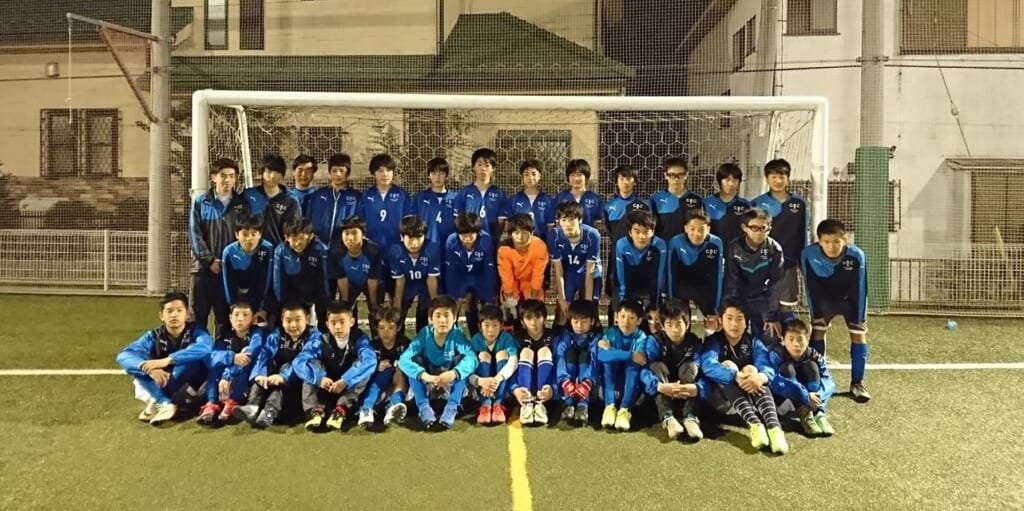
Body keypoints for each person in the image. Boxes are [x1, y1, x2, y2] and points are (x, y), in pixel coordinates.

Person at [700, 301, 788, 454]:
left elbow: (766, 364)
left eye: (739, 319)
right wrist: (735, 375)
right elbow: (708, 365)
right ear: (720, 320)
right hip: (723, 402)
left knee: (752, 370)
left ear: (746, 323)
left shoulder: (753, 341)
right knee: (729, 365)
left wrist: (761, 377)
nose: (734, 324)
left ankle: (774, 428)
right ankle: (754, 424)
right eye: (729, 318)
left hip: (752, 398)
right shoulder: (713, 342)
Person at [116, 292, 214, 425]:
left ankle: (159, 401)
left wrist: (167, 360)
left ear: (187, 314)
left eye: (179, 310)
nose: (174, 315)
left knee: (190, 360)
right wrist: (148, 369)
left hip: (193, 388)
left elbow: (205, 347)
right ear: (161, 315)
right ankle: (165, 403)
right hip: (164, 383)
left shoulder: (197, 331)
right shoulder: (154, 336)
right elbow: (124, 356)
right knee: (136, 368)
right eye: (169, 311)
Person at [802, 218, 871, 402]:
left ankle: (857, 383)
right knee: (818, 331)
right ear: (819, 240)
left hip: (850, 301)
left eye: (836, 242)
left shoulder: (856, 255)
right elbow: (810, 285)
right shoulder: (808, 254)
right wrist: (816, 313)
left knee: (858, 335)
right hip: (824, 300)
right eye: (826, 242)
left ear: (845, 239)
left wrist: (858, 317)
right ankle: (816, 380)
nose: (831, 246)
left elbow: (860, 287)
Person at [233, 302, 321, 428]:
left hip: (297, 386)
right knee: (265, 370)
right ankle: (252, 405)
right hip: (276, 379)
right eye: (288, 320)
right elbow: (264, 355)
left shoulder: (314, 336)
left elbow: (302, 360)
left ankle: (270, 411)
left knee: (285, 371)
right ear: (282, 321)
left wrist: (283, 376)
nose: (293, 325)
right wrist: (259, 375)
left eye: (298, 320)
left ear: (307, 319)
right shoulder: (277, 334)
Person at [398, 296, 479, 430]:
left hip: (450, 385)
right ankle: (424, 407)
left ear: (454, 318)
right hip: (429, 384)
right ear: (430, 319)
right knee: (414, 360)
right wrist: (426, 376)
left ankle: (452, 407)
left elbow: (473, 358)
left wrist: (453, 373)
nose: (442, 320)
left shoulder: (457, 335)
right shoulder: (425, 334)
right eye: (438, 316)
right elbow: (403, 359)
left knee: (462, 360)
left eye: (447, 316)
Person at [189, 157, 249, 336]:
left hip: (229, 271)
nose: (227, 180)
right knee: (197, 318)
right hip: (202, 270)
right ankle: (197, 351)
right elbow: (195, 235)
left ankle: (222, 351)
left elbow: (246, 236)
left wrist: (232, 261)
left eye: (232, 176)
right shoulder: (201, 203)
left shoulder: (242, 205)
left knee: (224, 319)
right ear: (213, 177)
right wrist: (209, 261)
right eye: (223, 175)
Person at [297, 301, 377, 432]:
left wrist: (346, 380)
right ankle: (316, 411)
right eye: (333, 323)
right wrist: (319, 379)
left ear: (351, 322)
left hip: (347, 388)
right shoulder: (320, 340)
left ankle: (340, 411)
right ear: (327, 324)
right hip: (327, 386)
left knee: (363, 368)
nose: (338, 327)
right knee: (311, 364)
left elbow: (370, 361)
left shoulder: (360, 338)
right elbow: (299, 362)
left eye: (342, 322)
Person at [753, 159, 808, 324]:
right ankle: (762, 339)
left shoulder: (799, 204)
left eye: (782, 177)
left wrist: (802, 263)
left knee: (786, 305)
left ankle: (788, 339)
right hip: (762, 262)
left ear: (788, 178)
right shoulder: (757, 203)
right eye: (774, 176)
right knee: (762, 303)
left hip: (788, 263)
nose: (778, 181)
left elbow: (803, 235)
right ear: (767, 178)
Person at [640, 299, 704, 441]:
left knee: (691, 365)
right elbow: (644, 369)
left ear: (687, 324)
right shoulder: (655, 341)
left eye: (679, 324)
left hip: (686, 389)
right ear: (662, 326)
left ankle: (691, 418)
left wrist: (697, 388)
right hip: (664, 389)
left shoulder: (694, 342)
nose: (675, 329)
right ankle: (668, 418)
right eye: (669, 324)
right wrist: (659, 386)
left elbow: (703, 371)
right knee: (656, 366)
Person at [197, 300, 266, 425]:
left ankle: (233, 402)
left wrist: (227, 375)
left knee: (245, 362)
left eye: (245, 315)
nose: (240, 319)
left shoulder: (257, 334)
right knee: (214, 367)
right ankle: (212, 403)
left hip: (247, 378)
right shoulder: (226, 337)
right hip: (227, 378)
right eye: (236, 315)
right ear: (230, 318)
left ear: (254, 317)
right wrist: (231, 358)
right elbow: (212, 357)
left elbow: (249, 355)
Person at [724, 208, 785, 342]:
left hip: (762, 297)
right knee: (734, 331)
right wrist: (733, 307)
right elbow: (732, 279)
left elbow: (776, 283)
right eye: (754, 228)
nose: (758, 232)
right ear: (744, 228)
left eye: (763, 228)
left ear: (769, 229)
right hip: (740, 296)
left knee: (771, 332)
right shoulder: (734, 247)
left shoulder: (774, 249)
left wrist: (771, 315)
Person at [768, 319, 836, 437]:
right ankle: (804, 415)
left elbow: (829, 382)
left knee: (812, 367)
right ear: (783, 340)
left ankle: (818, 413)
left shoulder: (813, 355)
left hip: (810, 398)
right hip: (786, 399)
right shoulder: (777, 355)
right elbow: (776, 383)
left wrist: (816, 401)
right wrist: (805, 397)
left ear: (807, 340)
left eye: (800, 339)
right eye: (791, 339)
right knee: (786, 368)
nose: (796, 344)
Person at [359, 153, 412, 300]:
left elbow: (408, 223)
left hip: (396, 250)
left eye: (388, 170)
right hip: (372, 251)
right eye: (380, 170)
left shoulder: (402, 195)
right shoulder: (366, 195)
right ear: (373, 173)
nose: (385, 174)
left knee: (397, 295)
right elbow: (360, 222)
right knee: (375, 297)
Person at [667, 210, 725, 332]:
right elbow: (671, 275)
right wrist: (672, 303)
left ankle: (710, 339)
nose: (696, 233)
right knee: (679, 319)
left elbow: (717, 276)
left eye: (701, 229)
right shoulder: (675, 243)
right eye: (692, 229)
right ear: (686, 228)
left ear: (708, 229)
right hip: (681, 285)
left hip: (703, 286)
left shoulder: (715, 243)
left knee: (713, 323)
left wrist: (714, 309)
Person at [595, 299, 649, 432]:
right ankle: (609, 407)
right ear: (616, 317)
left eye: (631, 318)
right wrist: (630, 355)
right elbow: (602, 356)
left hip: (632, 384)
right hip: (612, 381)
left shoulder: (641, 337)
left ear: (639, 321)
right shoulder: (611, 333)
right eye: (623, 316)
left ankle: (625, 410)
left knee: (633, 367)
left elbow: (639, 359)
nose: (626, 321)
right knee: (609, 363)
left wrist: (611, 350)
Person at [548, 200, 603, 327]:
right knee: (563, 311)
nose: (567, 224)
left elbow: (590, 270)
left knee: (590, 312)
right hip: (569, 273)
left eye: (572, 220)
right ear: (559, 221)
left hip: (589, 273)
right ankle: (559, 336)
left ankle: (595, 336)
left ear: (580, 219)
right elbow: (558, 269)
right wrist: (562, 298)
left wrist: (588, 302)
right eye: (564, 220)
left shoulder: (592, 235)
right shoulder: (554, 236)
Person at [603, 165, 652, 304]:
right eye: (621, 178)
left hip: (639, 259)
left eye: (629, 178)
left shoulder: (644, 206)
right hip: (617, 257)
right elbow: (610, 231)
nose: (625, 182)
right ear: (616, 181)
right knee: (617, 296)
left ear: (634, 181)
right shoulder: (609, 206)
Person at [444, 212, 497, 337]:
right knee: (460, 305)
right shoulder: (451, 241)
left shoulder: (486, 240)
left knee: (488, 308)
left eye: (471, 235)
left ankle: (486, 338)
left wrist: (489, 296)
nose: (467, 239)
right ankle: (470, 336)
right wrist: (454, 295)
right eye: (463, 235)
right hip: (461, 277)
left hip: (481, 276)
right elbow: (451, 271)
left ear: (478, 232)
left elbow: (489, 270)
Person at [357, 307, 411, 429]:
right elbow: (364, 366)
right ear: (376, 328)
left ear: (398, 328)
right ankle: (366, 409)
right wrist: (376, 366)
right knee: (384, 370)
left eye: (390, 328)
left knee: (401, 371)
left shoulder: (405, 344)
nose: (386, 332)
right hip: (379, 385)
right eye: (381, 328)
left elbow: (414, 362)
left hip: (399, 384)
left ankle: (394, 404)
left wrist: (403, 363)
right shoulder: (373, 346)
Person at [327, 216, 384, 331]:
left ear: (363, 234)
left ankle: (377, 337)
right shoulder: (335, 251)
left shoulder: (373, 251)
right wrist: (345, 303)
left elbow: (372, 279)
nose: (350, 238)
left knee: (375, 310)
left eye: (354, 233)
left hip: (370, 282)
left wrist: (373, 303)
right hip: (350, 283)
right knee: (346, 309)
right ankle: (351, 335)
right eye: (346, 233)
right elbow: (341, 279)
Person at [272, 217, 329, 331]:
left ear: (310, 236)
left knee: (320, 319)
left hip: (313, 294)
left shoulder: (320, 250)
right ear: (286, 237)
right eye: (294, 239)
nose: (298, 243)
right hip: (291, 294)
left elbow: (324, 283)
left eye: (302, 238)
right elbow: (278, 284)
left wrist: (320, 309)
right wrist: (285, 308)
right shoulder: (281, 251)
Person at [390, 215, 442, 333]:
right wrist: (397, 303)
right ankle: (399, 339)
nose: (414, 243)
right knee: (398, 312)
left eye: (419, 238)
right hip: (407, 284)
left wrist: (434, 303)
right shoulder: (395, 251)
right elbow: (400, 280)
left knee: (426, 310)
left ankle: (423, 337)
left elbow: (431, 279)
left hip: (425, 284)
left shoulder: (432, 249)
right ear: (402, 237)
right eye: (410, 238)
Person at [467, 304, 518, 426]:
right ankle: (485, 404)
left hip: (500, 382)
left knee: (502, 354)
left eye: (495, 325)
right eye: (486, 325)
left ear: (501, 326)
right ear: (480, 326)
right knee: (483, 355)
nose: (490, 330)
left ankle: (498, 404)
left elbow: (514, 361)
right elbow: (466, 367)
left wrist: (498, 378)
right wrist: (481, 381)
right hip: (482, 386)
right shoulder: (476, 340)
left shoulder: (506, 338)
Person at [553, 300, 601, 426]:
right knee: (569, 353)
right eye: (576, 321)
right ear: (570, 321)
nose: (579, 325)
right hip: (569, 381)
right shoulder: (566, 334)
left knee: (585, 355)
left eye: (584, 321)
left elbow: (595, 360)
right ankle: (568, 403)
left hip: (590, 384)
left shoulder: (596, 336)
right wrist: (564, 380)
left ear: (592, 321)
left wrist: (588, 381)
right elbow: (559, 356)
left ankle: (582, 406)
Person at [221, 213, 274, 325]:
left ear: (260, 234)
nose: (249, 238)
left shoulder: (267, 249)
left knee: (260, 326)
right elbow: (228, 283)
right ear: (237, 235)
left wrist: (260, 308)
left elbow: (265, 281)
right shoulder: (228, 252)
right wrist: (234, 307)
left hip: (258, 298)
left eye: (253, 234)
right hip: (237, 298)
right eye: (245, 234)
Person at [511, 299, 557, 426]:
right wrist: (515, 389)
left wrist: (554, 388)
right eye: (529, 318)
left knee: (544, 351)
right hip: (524, 386)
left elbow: (560, 365)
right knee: (526, 352)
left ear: (544, 318)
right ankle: (526, 404)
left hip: (546, 388)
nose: (533, 322)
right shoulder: (517, 339)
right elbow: (510, 367)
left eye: (538, 317)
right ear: (522, 322)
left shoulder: (553, 337)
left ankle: (540, 404)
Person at [613, 210, 667, 315]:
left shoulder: (659, 246)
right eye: (637, 232)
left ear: (653, 232)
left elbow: (657, 277)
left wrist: (655, 307)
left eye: (646, 232)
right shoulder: (622, 245)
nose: (641, 236)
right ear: (630, 232)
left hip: (649, 287)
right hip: (629, 286)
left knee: (654, 318)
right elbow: (621, 279)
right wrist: (623, 304)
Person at [497, 213, 549, 323]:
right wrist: (509, 299)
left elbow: (538, 274)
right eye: (516, 233)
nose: (520, 237)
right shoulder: (504, 248)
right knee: (509, 315)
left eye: (524, 233)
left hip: (531, 283)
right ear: (510, 234)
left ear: (532, 232)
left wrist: (533, 300)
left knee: (535, 311)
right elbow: (506, 276)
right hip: (513, 282)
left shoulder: (540, 246)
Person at [244, 154, 302, 248]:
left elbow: (294, 229)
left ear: (282, 175)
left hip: (279, 251)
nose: (272, 176)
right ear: (262, 172)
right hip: (252, 250)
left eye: (277, 172)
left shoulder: (290, 200)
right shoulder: (249, 195)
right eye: (269, 171)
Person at [306, 153, 360, 248]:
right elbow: (308, 221)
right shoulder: (317, 195)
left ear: (348, 173)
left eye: (341, 171)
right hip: (317, 248)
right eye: (334, 171)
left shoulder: (356, 197)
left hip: (344, 248)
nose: (338, 174)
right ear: (329, 173)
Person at [454, 147, 507, 237]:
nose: (483, 169)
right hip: (469, 241)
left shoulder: (499, 194)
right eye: (479, 165)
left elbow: (501, 222)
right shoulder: (464, 193)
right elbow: (458, 219)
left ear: (493, 168)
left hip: (491, 241)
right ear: (473, 167)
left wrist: (495, 237)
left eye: (487, 165)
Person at [651, 157, 703, 242]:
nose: (676, 179)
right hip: (664, 247)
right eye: (672, 175)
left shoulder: (697, 200)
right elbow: (650, 228)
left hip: (688, 248)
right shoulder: (656, 199)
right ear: (665, 175)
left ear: (686, 175)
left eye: (680, 175)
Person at [414, 157, 458, 252]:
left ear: (446, 175)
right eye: (433, 173)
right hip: (426, 246)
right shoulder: (420, 198)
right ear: (428, 175)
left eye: (441, 173)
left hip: (450, 247)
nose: (437, 177)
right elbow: (414, 223)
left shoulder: (456, 198)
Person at [503, 159, 555, 239]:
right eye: (526, 174)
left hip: (541, 243)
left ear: (539, 176)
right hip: (518, 244)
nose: (530, 177)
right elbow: (509, 227)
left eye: (534, 174)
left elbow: (550, 228)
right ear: (522, 177)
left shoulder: (548, 201)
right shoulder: (513, 200)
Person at [703, 163, 751, 246]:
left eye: (735, 180)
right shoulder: (707, 202)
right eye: (727, 180)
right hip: (714, 249)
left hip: (738, 250)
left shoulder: (745, 205)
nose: (731, 184)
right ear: (719, 181)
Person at [553, 159, 604, 229]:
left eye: (579, 175)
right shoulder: (560, 198)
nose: (576, 178)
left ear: (586, 177)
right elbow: (556, 222)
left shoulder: (595, 199)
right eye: (572, 175)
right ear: (568, 177)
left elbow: (598, 224)